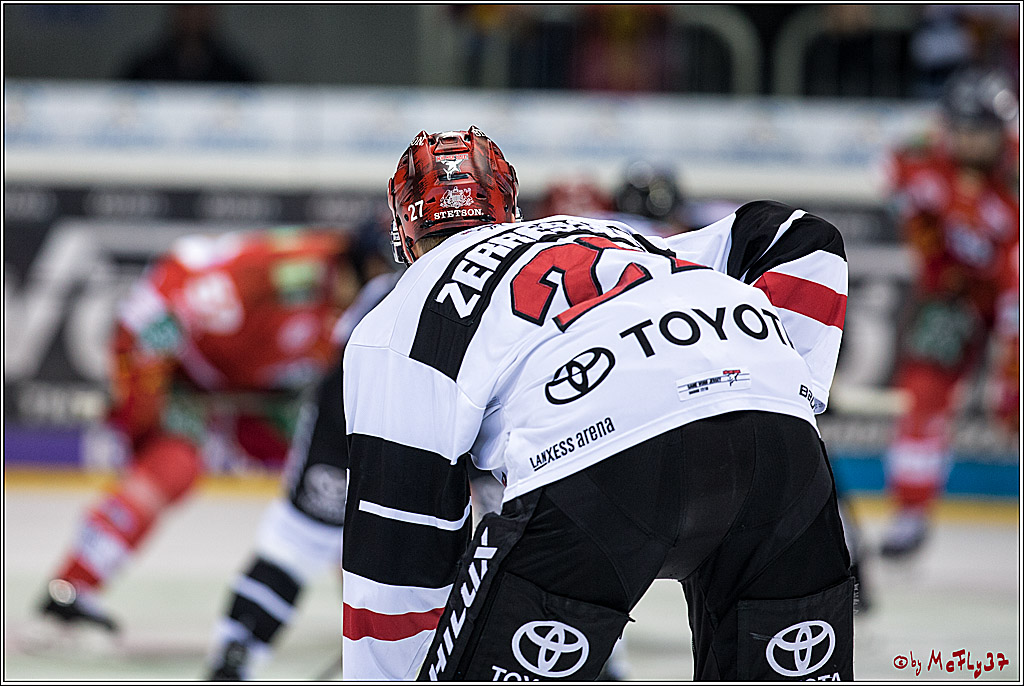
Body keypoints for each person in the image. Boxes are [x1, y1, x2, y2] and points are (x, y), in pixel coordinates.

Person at [341, 127, 853, 680]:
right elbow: (803, 237)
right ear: (510, 211)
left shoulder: (403, 312)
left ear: (404, 233)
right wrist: (788, 385)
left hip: (599, 466)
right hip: (780, 455)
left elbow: (397, 541)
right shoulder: (606, 236)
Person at [36, 227, 359, 639]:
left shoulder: (343, 293)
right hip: (180, 372)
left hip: (256, 387)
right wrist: (142, 403)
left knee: (335, 473)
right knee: (172, 465)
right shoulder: (290, 271)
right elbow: (167, 317)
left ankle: (369, 601)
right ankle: (72, 586)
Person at [879, 67, 1019, 558]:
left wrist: (1012, 370)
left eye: (979, 132)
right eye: (959, 129)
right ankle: (911, 509)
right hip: (952, 295)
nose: (967, 142)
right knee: (924, 390)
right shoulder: (922, 157)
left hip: (1012, 294)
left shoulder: (1015, 183)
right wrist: (927, 229)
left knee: (1016, 405)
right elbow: (897, 176)